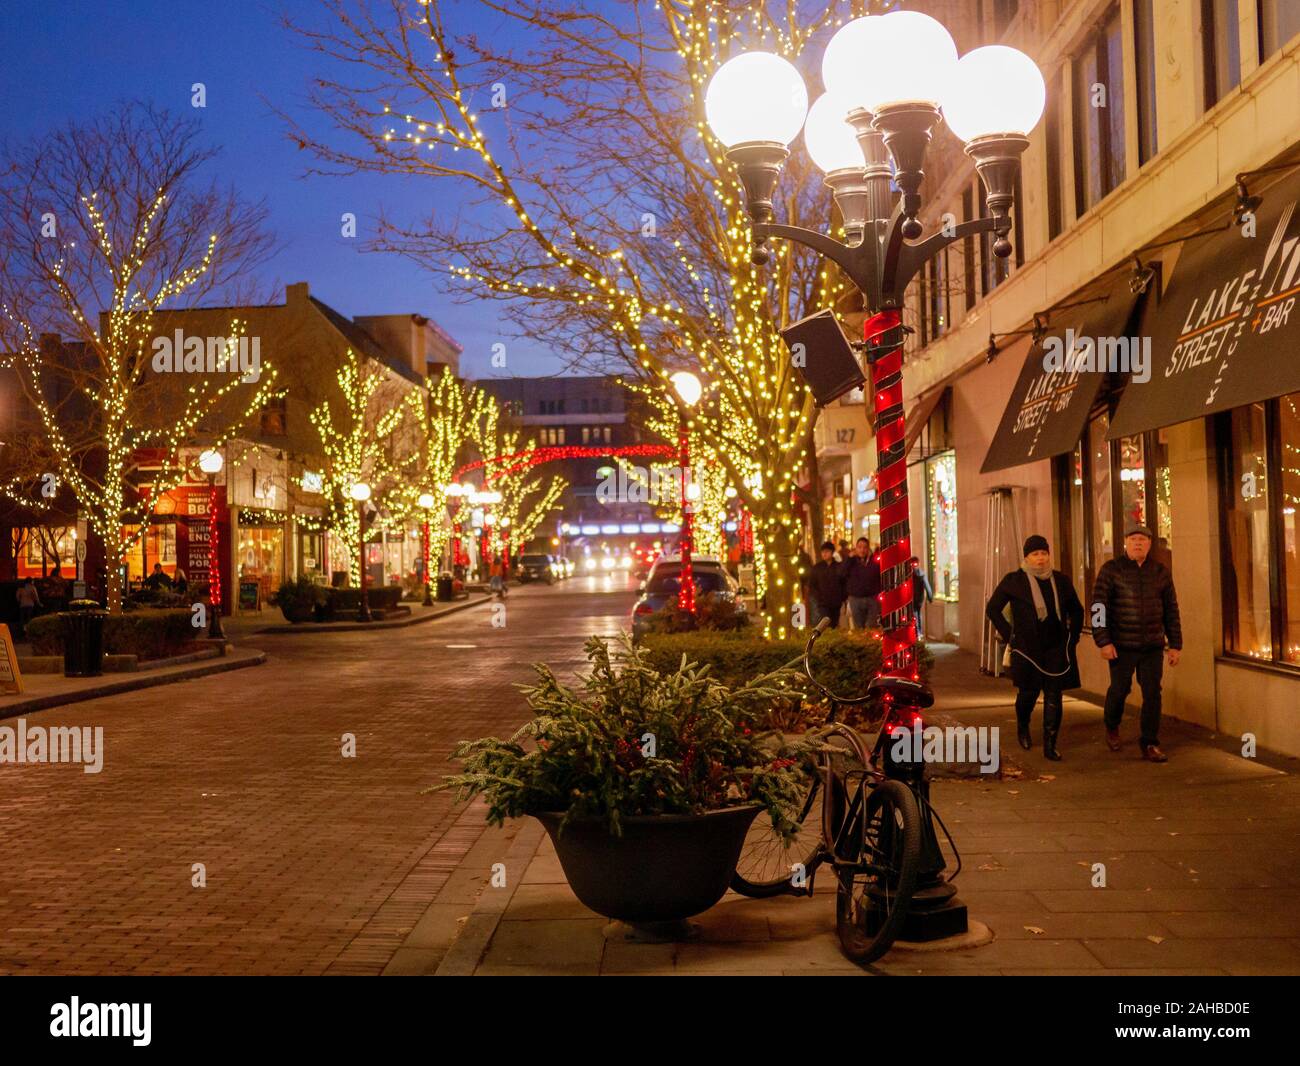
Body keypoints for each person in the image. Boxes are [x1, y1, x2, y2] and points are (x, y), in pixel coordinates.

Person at [985, 536, 1084, 761]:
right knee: (1028, 693)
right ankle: (1023, 725)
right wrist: (1010, 634)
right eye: (1035, 554)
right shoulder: (1014, 581)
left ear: (1049, 555)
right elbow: (993, 609)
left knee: (1054, 695)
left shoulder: (1060, 580)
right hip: (1026, 649)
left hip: (1056, 647)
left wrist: (1073, 637)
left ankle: (1051, 743)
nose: (1040, 558)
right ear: (1027, 557)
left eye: (1044, 553)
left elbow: (1077, 610)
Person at [1091, 525, 1182, 763]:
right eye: (1133, 539)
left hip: (1152, 645)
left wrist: (1175, 644)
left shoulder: (1160, 572)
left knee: (1152, 693)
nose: (1138, 543)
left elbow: (1171, 609)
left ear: (1150, 544)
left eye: (1142, 539)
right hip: (1121, 645)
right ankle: (1112, 726)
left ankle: (1150, 742)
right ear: (1125, 543)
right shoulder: (1111, 570)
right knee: (1119, 690)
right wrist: (1103, 641)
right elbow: (1099, 607)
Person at [844, 537, 881, 630]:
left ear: (868, 548)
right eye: (859, 547)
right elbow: (841, 573)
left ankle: (870, 644)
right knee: (858, 627)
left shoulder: (874, 561)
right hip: (855, 598)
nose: (862, 550)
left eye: (865, 547)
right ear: (856, 548)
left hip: (872, 598)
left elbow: (879, 576)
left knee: (871, 626)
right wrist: (849, 559)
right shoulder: (851, 561)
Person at [808, 540, 846, 629]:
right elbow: (812, 585)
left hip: (836, 602)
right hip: (822, 602)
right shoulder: (817, 567)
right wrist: (818, 597)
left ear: (832, 553)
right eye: (823, 552)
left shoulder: (838, 566)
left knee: (834, 623)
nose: (824, 554)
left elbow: (843, 582)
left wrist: (842, 597)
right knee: (825, 623)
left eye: (827, 551)